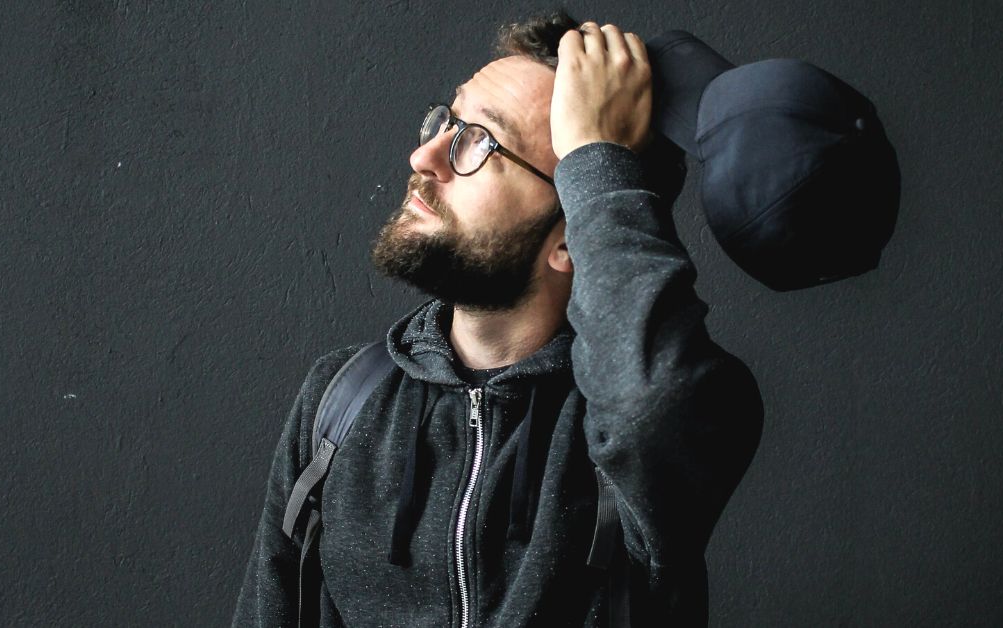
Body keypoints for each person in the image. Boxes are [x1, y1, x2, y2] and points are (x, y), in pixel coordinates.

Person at [232, 11, 763, 627]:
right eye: (447, 121)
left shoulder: (665, 417)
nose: (424, 155)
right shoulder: (340, 403)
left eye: (479, 141)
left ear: (571, 236)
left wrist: (597, 153)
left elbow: (649, 401)